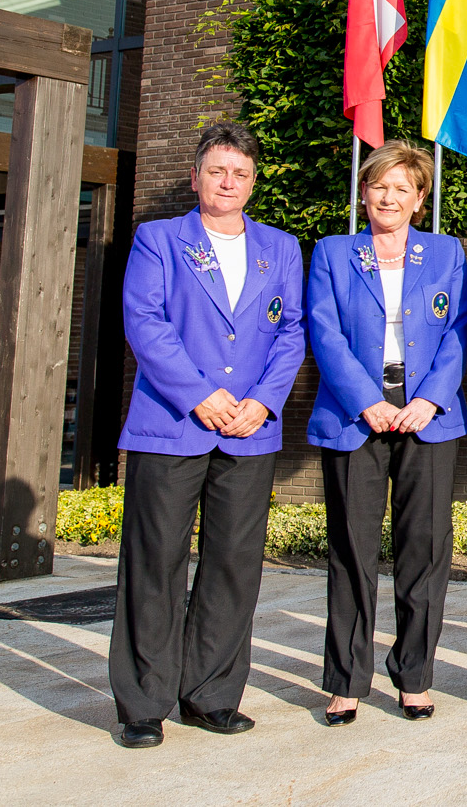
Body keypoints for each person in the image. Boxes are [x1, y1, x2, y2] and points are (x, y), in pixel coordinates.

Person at [109, 121, 308, 749]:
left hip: (249, 431)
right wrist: (200, 395)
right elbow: (145, 322)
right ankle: (144, 703)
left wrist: (264, 401)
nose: (228, 182)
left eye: (240, 173)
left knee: (233, 566)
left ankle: (211, 695)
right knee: (155, 564)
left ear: (253, 183)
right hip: (173, 426)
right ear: (196, 177)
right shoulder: (158, 239)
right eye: (217, 170)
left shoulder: (281, 247)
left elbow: (291, 332)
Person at [306, 140, 467, 725]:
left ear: (420, 198)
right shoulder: (333, 252)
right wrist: (367, 401)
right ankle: (347, 680)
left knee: (424, 551)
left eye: (403, 188)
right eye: (379, 186)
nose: (390, 197)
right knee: (352, 551)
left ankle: (415, 676)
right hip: (357, 416)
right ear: (364, 192)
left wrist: (429, 399)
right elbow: (324, 332)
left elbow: (459, 331)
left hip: (428, 416)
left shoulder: (447, 252)